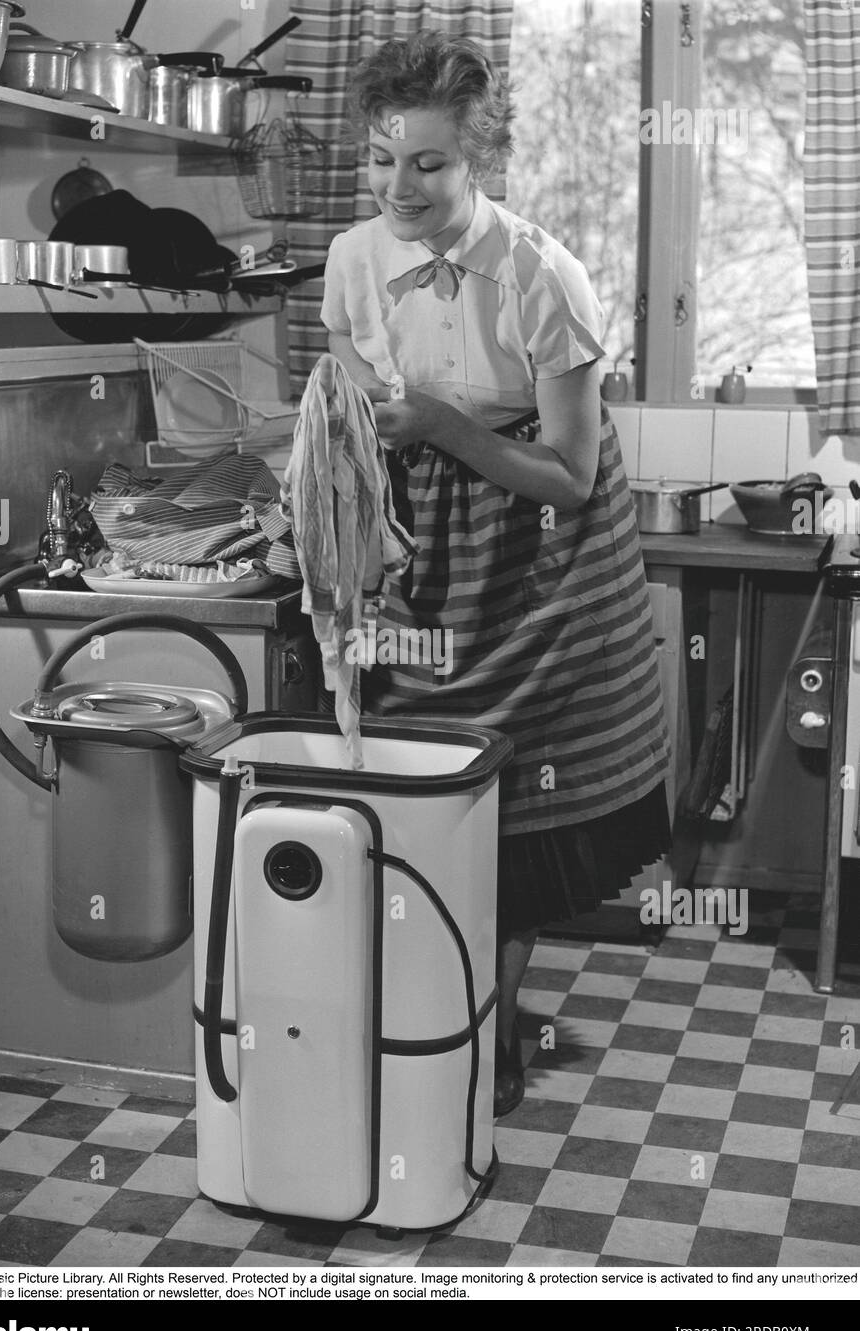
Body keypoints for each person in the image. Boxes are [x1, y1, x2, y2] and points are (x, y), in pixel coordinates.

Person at [321, 31, 671, 1116]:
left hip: (538, 559)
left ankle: (493, 1028)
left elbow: (568, 474)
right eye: (382, 159)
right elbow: (346, 415)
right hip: (418, 552)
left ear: (476, 160)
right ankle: (430, 1015)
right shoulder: (349, 259)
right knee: (422, 796)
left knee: (517, 806)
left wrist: (437, 424)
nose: (399, 187)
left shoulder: (542, 275)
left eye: (426, 163)